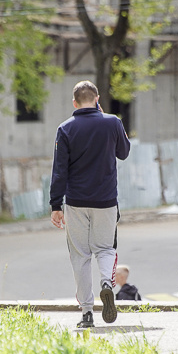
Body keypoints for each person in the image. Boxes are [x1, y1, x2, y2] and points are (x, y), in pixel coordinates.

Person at [49, 80, 131, 328]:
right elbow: (124, 152)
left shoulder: (65, 129)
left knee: (81, 256)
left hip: (76, 202)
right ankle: (107, 282)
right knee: (105, 249)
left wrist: (56, 205)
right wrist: (109, 121)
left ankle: (86, 313)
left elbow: (59, 170)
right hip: (106, 201)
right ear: (97, 100)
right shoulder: (113, 122)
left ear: (74, 103)